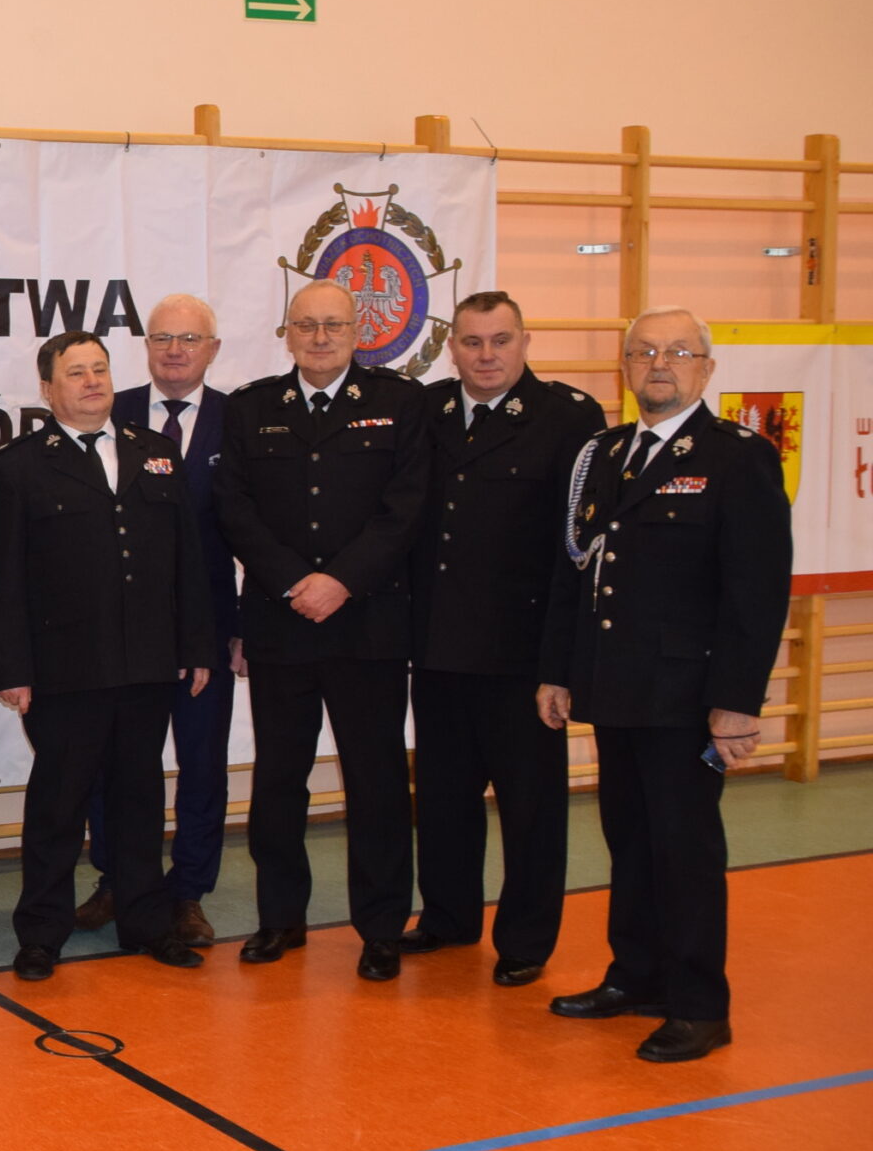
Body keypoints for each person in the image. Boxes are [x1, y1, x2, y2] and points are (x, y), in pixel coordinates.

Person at [540, 308, 789, 1062]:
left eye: (678, 352)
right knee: (630, 840)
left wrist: (737, 703)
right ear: (625, 366)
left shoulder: (737, 456)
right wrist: (558, 670)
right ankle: (637, 976)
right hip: (615, 686)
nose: (659, 363)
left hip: (686, 695)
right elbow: (576, 571)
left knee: (684, 850)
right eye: (644, 351)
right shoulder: (606, 453)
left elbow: (756, 592)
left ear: (705, 369)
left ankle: (700, 1006)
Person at [213, 279, 432, 981]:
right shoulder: (251, 408)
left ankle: (381, 927)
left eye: (333, 324)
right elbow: (234, 507)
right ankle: (280, 917)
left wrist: (341, 580)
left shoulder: (401, 403)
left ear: (358, 331)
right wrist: (291, 581)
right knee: (280, 780)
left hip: (368, 623)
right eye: (305, 324)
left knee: (376, 782)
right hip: (281, 624)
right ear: (287, 333)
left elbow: (406, 507)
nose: (319, 337)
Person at [0, 333, 213, 980]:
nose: (92, 382)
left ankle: (146, 923)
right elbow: (0, 580)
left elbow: (186, 559)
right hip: (64, 670)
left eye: (100, 370)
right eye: (76, 373)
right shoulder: (18, 466)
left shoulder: (155, 452)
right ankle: (42, 932)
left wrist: (196, 645)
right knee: (58, 804)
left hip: (146, 663)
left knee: (140, 798)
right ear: (48, 388)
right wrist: (11, 669)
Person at [405, 293, 606, 986]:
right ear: (451, 347)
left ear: (525, 341)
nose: (486, 355)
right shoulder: (427, 410)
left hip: (522, 652)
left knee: (531, 808)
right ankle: (448, 917)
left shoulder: (568, 417)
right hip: (437, 644)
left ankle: (525, 939)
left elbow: (577, 549)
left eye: (500, 340)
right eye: (472, 342)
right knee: (443, 798)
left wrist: (562, 661)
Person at [80, 294, 240, 946]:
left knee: (202, 763)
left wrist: (242, 626)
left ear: (213, 348)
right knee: (113, 762)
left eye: (190, 339)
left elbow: (256, 526)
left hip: (209, 627)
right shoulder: (108, 411)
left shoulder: (239, 421)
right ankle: (117, 878)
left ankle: (189, 890)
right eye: (162, 338)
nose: (175, 350)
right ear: (145, 346)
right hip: (122, 630)